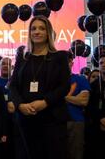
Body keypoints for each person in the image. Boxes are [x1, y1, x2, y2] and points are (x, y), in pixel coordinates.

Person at [10, 16, 71, 159]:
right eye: (33, 28)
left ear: (48, 33)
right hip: (26, 120)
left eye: (42, 28)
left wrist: (45, 102)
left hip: (52, 119)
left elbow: (64, 87)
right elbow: (13, 86)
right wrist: (20, 105)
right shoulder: (22, 57)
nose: (37, 32)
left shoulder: (60, 57)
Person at [65, 53, 90, 159]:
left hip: (75, 122)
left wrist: (59, 96)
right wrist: (74, 99)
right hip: (54, 121)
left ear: (71, 63)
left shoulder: (80, 79)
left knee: (76, 154)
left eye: (66, 61)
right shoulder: (51, 81)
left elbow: (83, 100)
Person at [85, 56, 105, 159]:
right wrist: (101, 118)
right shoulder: (93, 86)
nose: (104, 65)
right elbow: (89, 106)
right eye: (101, 63)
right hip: (97, 125)